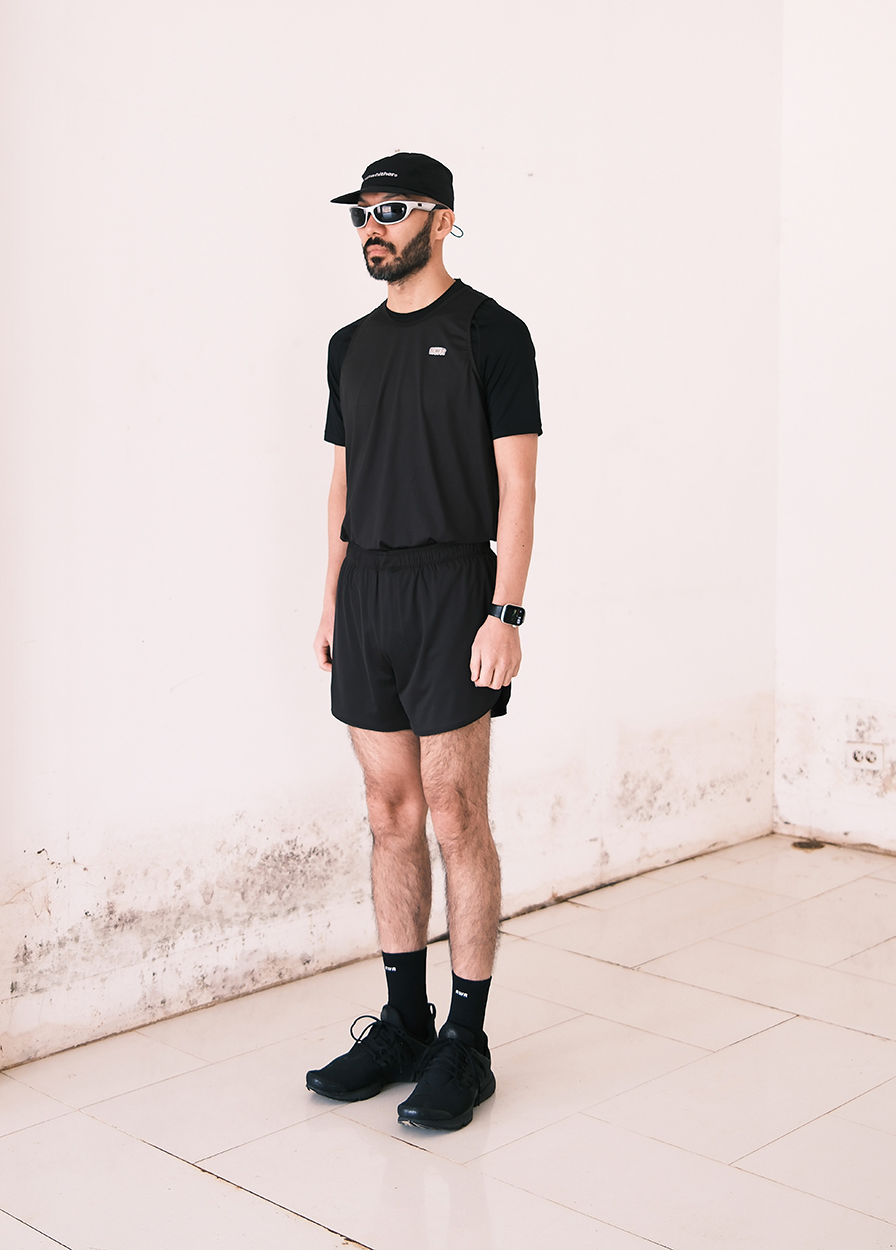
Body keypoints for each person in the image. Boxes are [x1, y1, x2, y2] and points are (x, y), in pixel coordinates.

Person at [306, 153, 540, 1131]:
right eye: (362, 212)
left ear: (441, 220)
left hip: (453, 589)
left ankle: (466, 1043)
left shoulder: (492, 331)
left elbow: (519, 484)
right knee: (388, 811)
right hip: (368, 592)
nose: (374, 225)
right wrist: (330, 600)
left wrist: (505, 613)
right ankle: (405, 1023)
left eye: (392, 209)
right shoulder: (348, 345)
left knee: (455, 812)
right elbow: (342, 483)